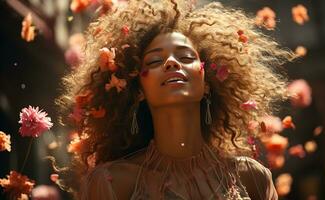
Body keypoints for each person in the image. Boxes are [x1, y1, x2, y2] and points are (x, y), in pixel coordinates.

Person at [56, 0, 294, 199]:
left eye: (186, 56)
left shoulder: (252, 177)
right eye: (154, 62)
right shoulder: (112, 184)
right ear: (138, 89)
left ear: (208, 82)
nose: (172, 63)